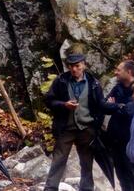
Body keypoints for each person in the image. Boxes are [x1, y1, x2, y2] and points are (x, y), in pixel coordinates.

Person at [44, 53, 117, 191]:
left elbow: (99, 105)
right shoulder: (61, 81)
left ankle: (87, 188)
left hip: (87, 128)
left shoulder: (94, 83)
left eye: (77, 66)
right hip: (66, 127)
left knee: (87, 161)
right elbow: (49, 100)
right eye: (71, 66)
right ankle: (50, 188)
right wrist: (63, 104)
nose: (74, 69)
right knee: (59, 159)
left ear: (84, 65)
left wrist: (108, 113)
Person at [103, 60, 134, 191]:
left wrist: (115, 105)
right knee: (121, 173)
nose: (115, 72)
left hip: (132, 139)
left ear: (129, 72)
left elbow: (130, 110)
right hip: (115, 138)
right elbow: (104, 106)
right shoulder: (117, 87)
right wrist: (118, 106)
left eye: (119, 70)